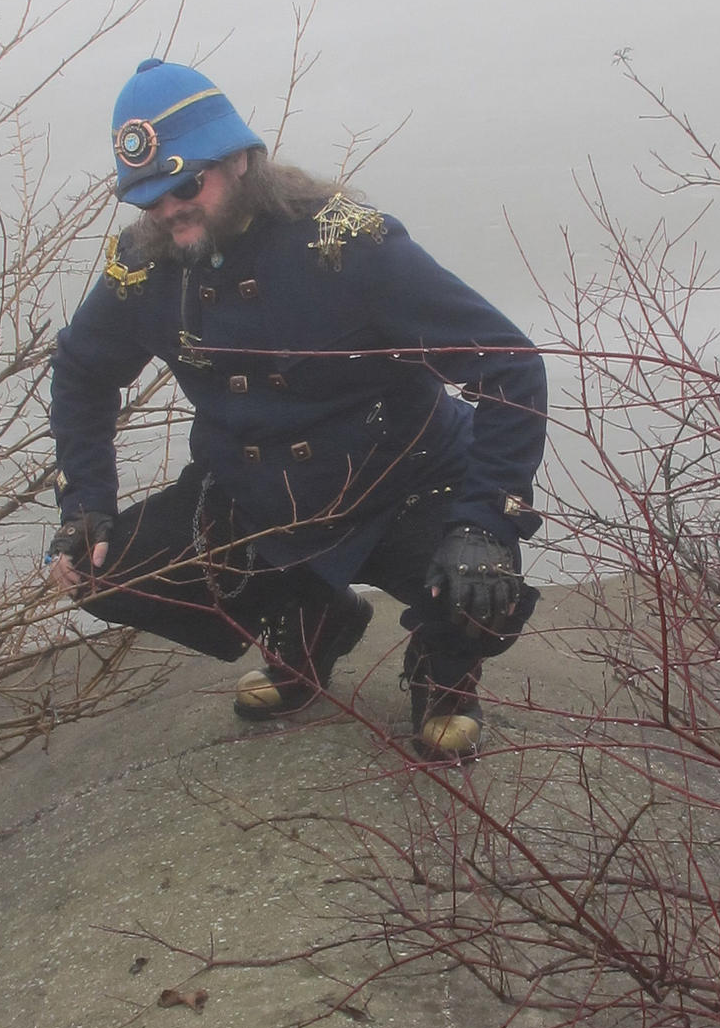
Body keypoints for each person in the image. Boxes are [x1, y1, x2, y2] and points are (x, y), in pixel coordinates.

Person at [48, 57, 547, 760]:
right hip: (258, 500)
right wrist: (86, 501)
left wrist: (486, 521)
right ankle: (314, 618)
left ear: (243, 160)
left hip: (402, 484)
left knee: (481, 588)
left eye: (187, 184)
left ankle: (446, 663)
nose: (169, 209)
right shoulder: (147, 263)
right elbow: (79, 371)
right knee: (96, 569)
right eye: (148, 197)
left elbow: (510, 364)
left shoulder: (347, 246)